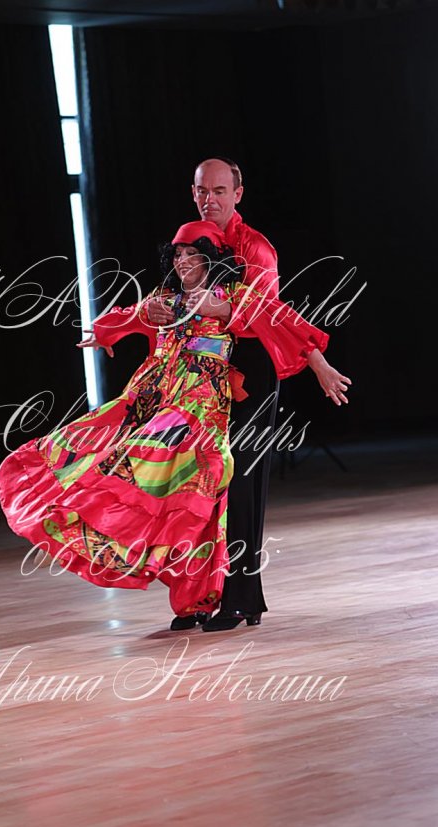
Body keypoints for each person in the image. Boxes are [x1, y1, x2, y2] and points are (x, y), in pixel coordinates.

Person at [0, 220, 329, 622]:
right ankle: (183, 597)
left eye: (193, 254)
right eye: (178, 254)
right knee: (117, 465)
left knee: (188, 494)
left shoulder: (232, 295)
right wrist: (103, 331)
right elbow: (128, 316)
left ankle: (202, 596)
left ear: (211, 259)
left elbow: (284, 322)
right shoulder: (162, 298)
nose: (183, 261)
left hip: (198, 404)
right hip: (151, 396)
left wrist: (322, 367)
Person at [146, 158, 351, 631]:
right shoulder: (191, 241)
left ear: (238, 194)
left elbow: (270, 314)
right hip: (199, 379)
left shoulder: (254, 247)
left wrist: (317, 361)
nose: (210, 199)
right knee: (197, 484)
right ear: (193, 192)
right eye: (203, 191)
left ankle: (242, 599)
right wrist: (149, 312)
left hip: (251, 372)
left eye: (219, 191)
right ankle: (200, 597)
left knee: (241, 481)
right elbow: (166, 299)